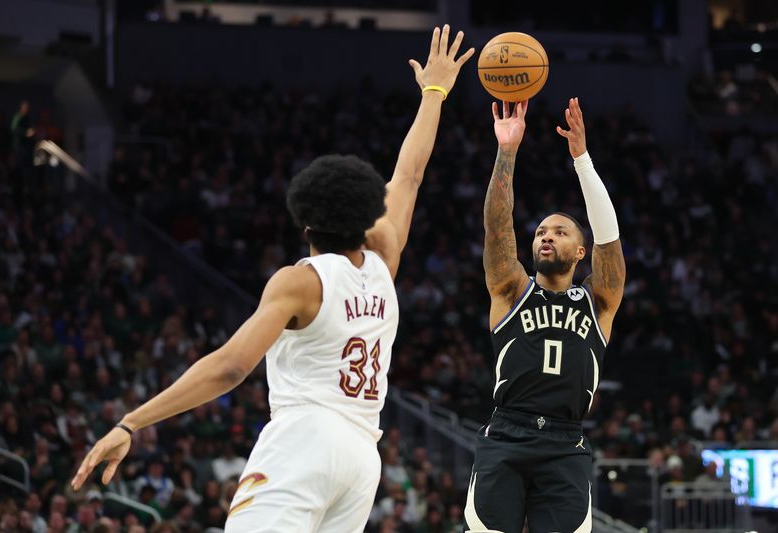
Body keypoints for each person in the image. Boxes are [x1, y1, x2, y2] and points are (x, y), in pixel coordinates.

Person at [71, 25, 474, 533]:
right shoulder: (383, 261)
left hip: (306, 438)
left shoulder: (300, 281)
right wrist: (434, 94)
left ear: (305, 224)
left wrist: (131, 423)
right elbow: (410, 173)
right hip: (363, 455)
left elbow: (230, 367)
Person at [465, 98, 625, 532]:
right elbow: (497, 227)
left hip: (565, 440)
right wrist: (507, 151)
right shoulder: (511, 288)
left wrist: (583, 161)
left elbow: (609, 239)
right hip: (505, 433)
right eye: (539, 232)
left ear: (580, 251)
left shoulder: (598, 300)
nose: (546, 236)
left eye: (559, 231)